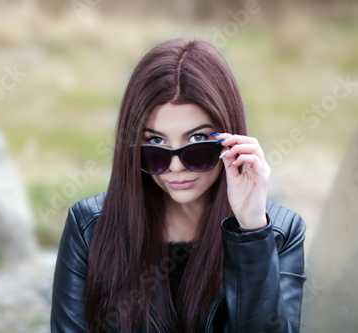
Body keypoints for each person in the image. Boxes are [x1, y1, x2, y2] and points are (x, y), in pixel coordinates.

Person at [50, 39, 306, 332]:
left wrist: (250, 232)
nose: (175, 166)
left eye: (197, 140)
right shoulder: (89, 227)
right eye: (156, 142)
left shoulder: (279, 233)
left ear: (232, 139)